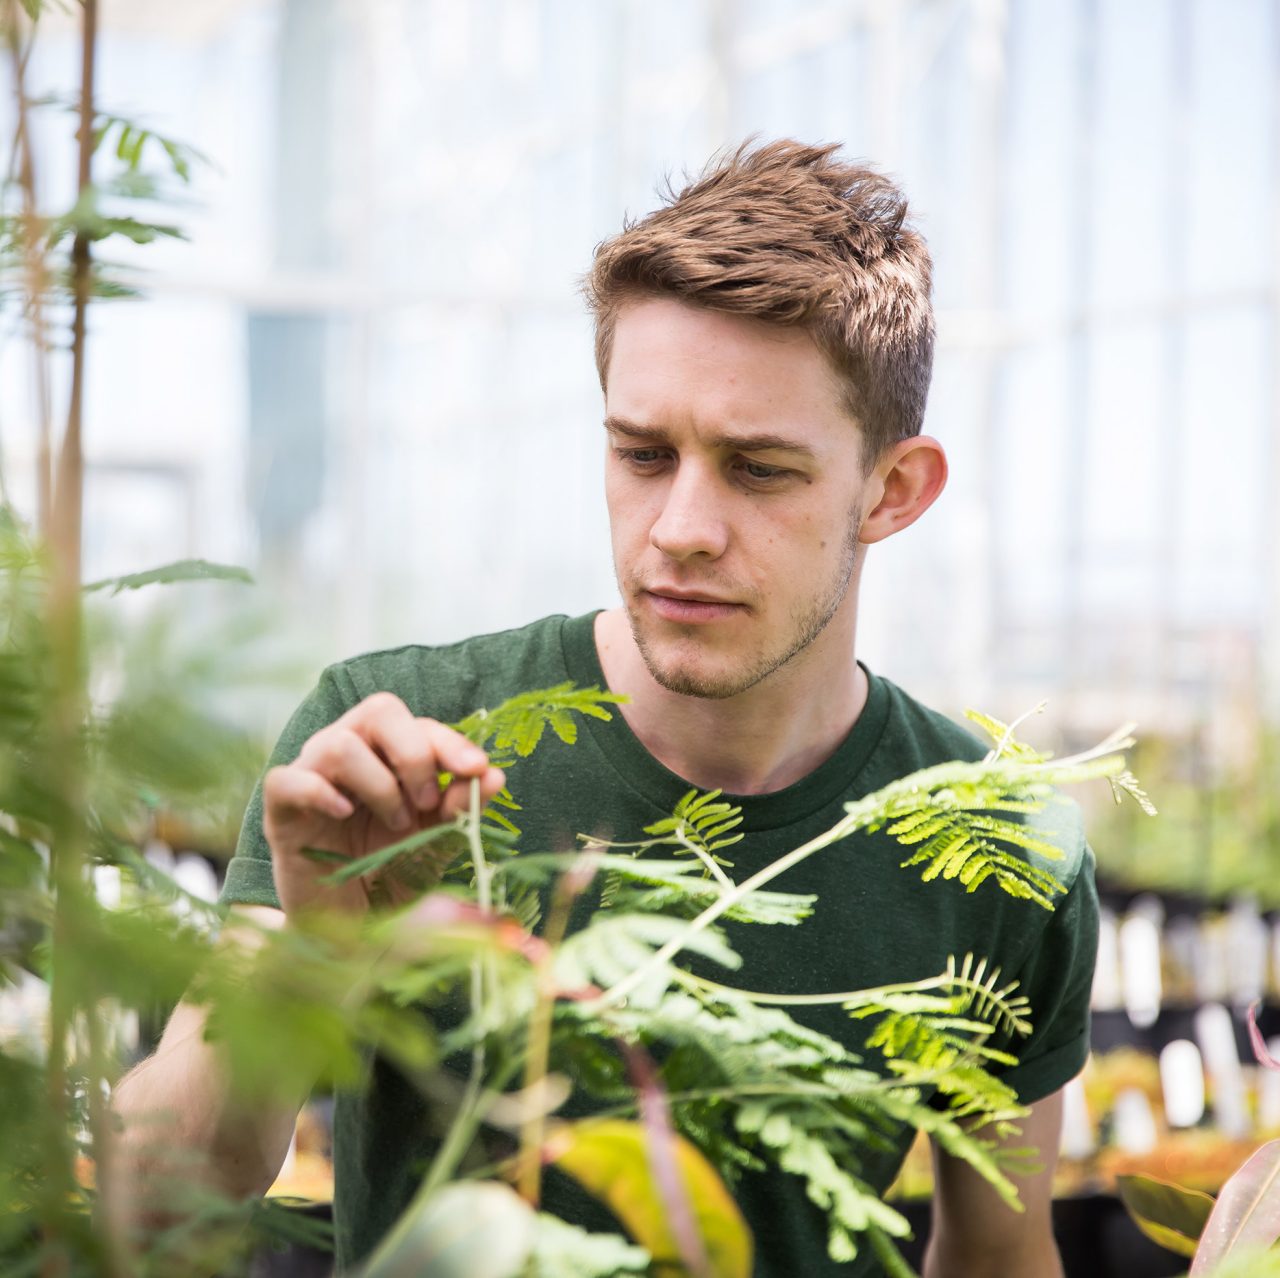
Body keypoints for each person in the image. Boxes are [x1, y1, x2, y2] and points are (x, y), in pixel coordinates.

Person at [114, 139, 1098, 1277]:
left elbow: (994, 1254)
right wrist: (310, 958)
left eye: (757, 468)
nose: (679, 525)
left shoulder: (999, 852)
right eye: (641, 452)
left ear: (891, 491)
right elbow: (158, 1191)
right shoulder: (402, 743)